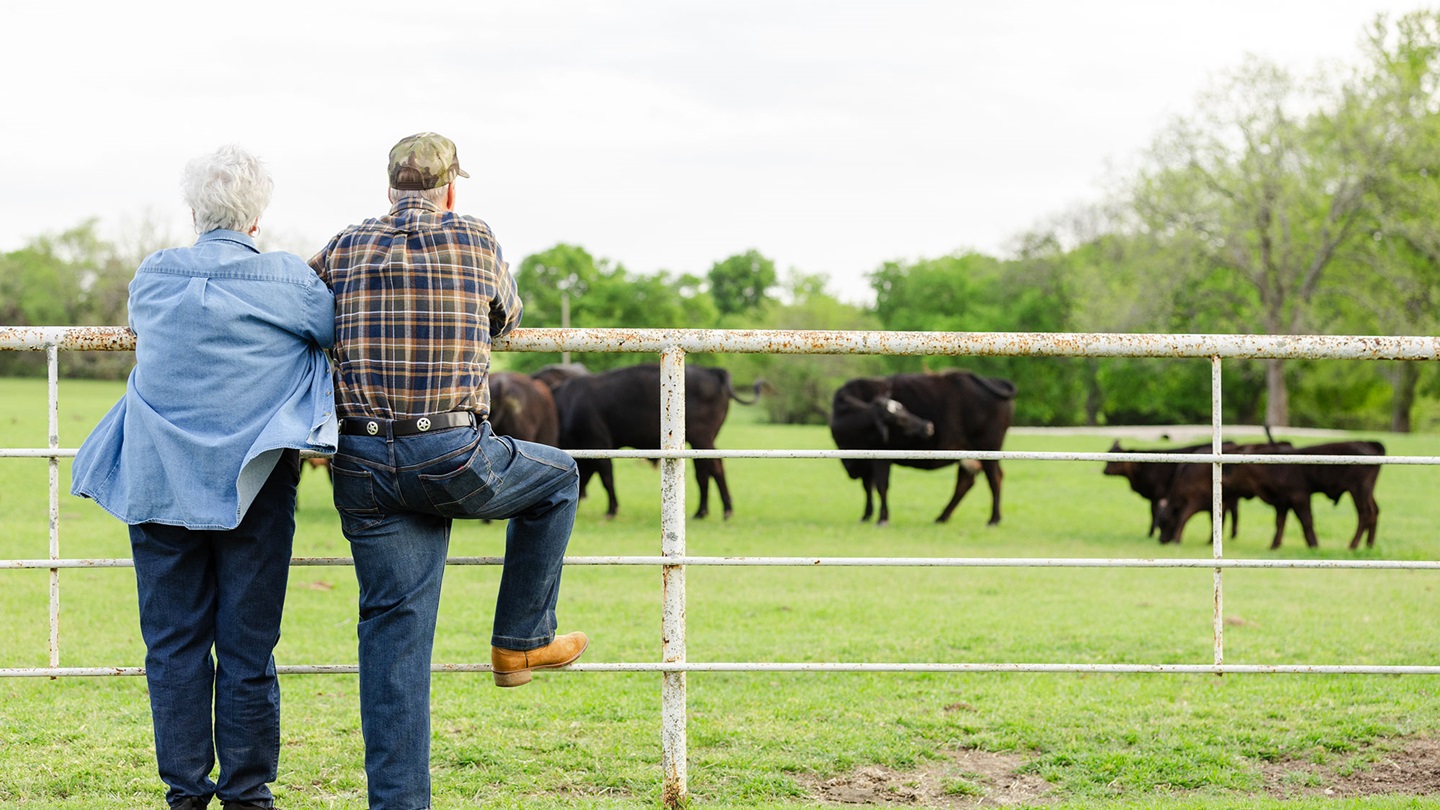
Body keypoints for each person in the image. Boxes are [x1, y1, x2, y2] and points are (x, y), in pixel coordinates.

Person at [309, 132, 586, 810]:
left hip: (365, 461)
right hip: (454, 454)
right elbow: (505, 319)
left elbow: (312, 317)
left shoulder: (344, 246)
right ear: (450, 188)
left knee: (394, 640)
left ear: (388, 188)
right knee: (557, 479)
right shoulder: (476, 237)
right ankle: (520, 642)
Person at [71, 145, 338, 810]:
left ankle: (184, 794)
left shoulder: (154, 276)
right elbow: (328, 329)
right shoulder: (287, 281)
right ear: (258, 217)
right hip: (255, 484)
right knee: (248, 648)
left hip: (159, 477)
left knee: (173, 646)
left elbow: (143, 327)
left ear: (194, 212)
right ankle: (248, 795)